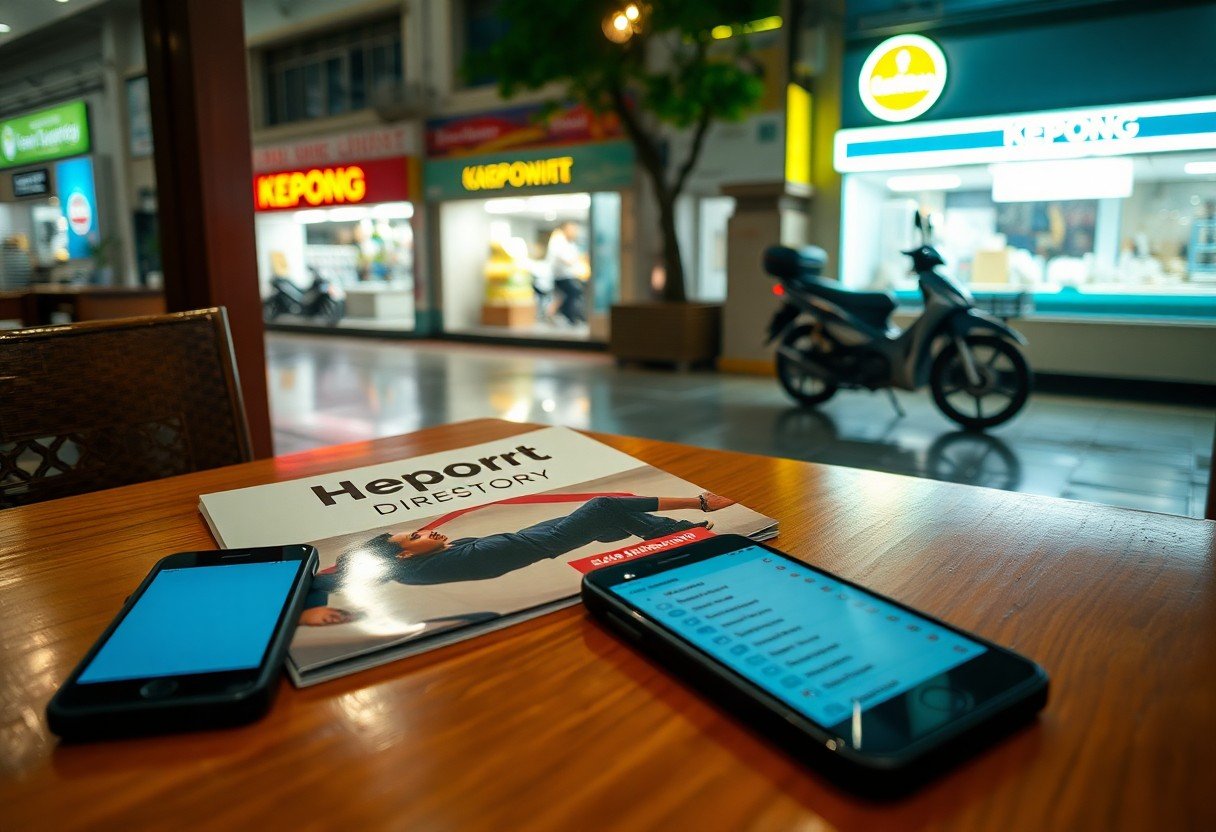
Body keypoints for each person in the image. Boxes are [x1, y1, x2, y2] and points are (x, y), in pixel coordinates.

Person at [300, 493, 735, 625]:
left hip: (542, 538)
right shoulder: (418, 570)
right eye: (416, 535)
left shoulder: (432, 558)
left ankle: (677, 531)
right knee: (605, 507)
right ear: (403, 553)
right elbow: (334, 581)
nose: (428, 530)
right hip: (544, 540)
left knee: (613, 521)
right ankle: (692, 516)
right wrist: (306, 614)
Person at [545, 221, 587, 325]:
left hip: (568, 275)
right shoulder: (558, 241)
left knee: (563, 296)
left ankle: (567, 315)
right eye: (572, 229)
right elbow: (568, 260)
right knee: (574, 292)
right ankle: (568, 314)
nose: (574, 232)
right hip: (561, 276)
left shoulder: (569, 242)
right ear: (565, 229)